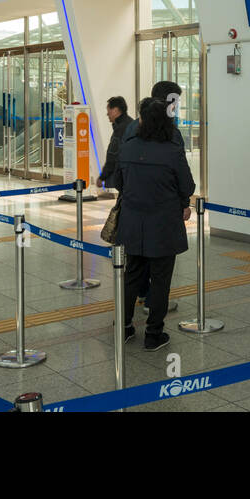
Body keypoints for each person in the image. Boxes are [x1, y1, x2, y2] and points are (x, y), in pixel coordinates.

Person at [113, 98, 195, 352]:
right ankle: (153, 334)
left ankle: (124, 328)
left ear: (142, 120)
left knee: (131, 276)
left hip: (132, 221)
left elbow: (118, 182)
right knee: (160, 279)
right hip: (163, 224)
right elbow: (188, 186)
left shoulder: (127, 148)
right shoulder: (172, 150)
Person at [97, 95, 131, 192]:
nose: (107, 114)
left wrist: (102, 177)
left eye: (109, 111)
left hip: (124, 175)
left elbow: (113, 155)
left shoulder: (121, 129)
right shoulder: (131, 124)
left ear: (115, 110)